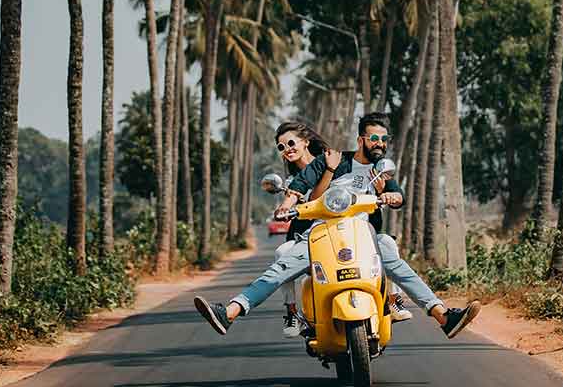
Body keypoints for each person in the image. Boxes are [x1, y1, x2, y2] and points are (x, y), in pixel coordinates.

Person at [194, 112, 480, 339]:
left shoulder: (378, 170)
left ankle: (443, 316)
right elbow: (298, 189)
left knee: (392, 254)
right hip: (320, 236)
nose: (378, 143)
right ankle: (229, 312)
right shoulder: (329, 161)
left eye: (383, 138)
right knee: (279, 269)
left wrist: (391, 195)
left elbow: (397, 194)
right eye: (373, 138)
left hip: (363, 235)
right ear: (360, 140)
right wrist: (286, 205)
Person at [268, 119, 414, 339]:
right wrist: (287, 205)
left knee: (387, 245)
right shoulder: (294, 180)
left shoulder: (335, 162)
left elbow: (365, 182)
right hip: (311, 236)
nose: (287, 149)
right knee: (282, 253)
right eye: (281, 147)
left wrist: (384, 192)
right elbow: (308, 198)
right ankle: (291, 313)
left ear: (306, 142)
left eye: (290, 143)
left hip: (347, 231)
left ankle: (393, 301)